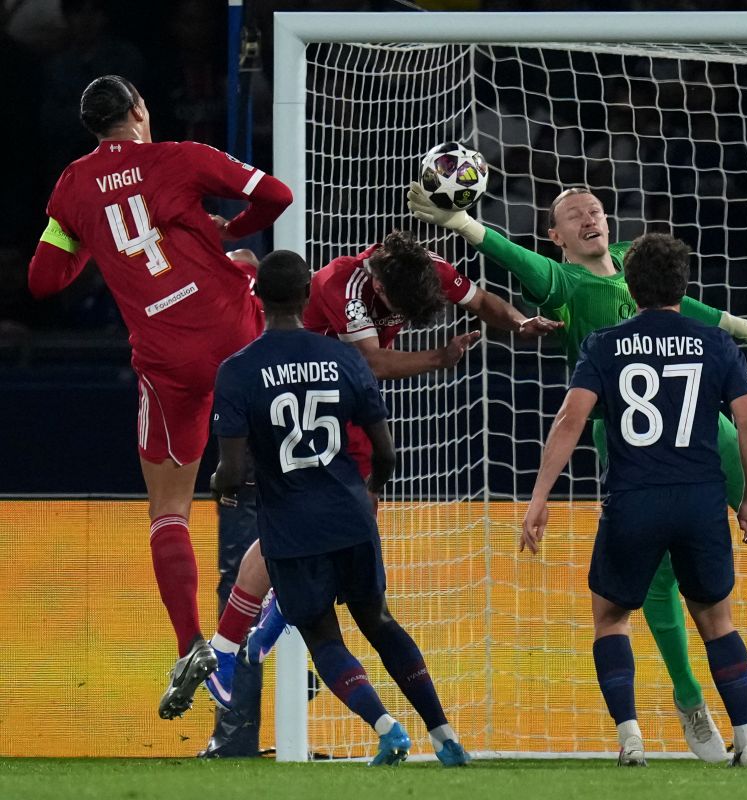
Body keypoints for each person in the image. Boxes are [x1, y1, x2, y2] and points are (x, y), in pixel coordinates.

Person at [408, 183, 747, 762]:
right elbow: (509, 255)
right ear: (556, 237)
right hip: (626, 441)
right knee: (662, 582)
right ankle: (691, 700)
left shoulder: (629, 261)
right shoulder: (559, 281)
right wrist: (466, 226)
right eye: (573, 216)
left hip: (697, 426)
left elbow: (684, 304)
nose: (589, 218)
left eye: (594, 209)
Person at [203, 230, 561, 714]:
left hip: (343, 401)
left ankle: (272, 617)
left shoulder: (422, 268)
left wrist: (519, 323)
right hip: (312, 405)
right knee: (296, 526)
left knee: (348, 525)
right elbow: (370, 362)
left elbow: (479, 300)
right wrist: (439, 358)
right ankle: (227, 649)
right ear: (379, 283)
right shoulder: (340, 284)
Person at [26, 74, 292, 720]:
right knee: (293, 475)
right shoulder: (181, 157)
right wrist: (231, 234)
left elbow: (43, 281)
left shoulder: (73, 186)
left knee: (169, 509)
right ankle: (291, 608)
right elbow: (276, 196)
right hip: (233, 334)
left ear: (94, 127)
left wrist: (93, 240)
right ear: (140, 110)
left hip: (168, 357)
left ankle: (190, 644)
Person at [210, 249, 470, 767]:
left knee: (323, 636)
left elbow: (233, 472)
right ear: (309, 296)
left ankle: (387, 728)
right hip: (351, 513)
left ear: (257, 298)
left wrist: (222, 485)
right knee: (380, 622)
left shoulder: (237, 370)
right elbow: (387, 452)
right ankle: (445, 737)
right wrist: (369, 486)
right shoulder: (348, 358)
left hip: (291, 524)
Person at [521, 233, 747, 766]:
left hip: (633, 499)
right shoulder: (714, 342)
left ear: (631, 288)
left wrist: (539, 498)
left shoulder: (604, 345)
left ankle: (631, 738)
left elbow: (570, 421)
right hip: (701, 499)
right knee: (717, 621)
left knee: (611, 617)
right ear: (683, 284)